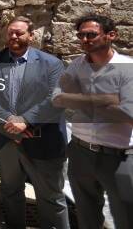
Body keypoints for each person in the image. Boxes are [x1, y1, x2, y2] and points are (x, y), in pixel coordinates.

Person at [0, 16, 69, 229]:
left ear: (31, 35)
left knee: (51, 198)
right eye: (10, 32)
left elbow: (56, 98)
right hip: (5, 139)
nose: (14, 36)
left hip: (42, 139)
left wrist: (26, 121)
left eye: (19, 32)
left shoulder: (51, 64)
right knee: (10, 192)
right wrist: (11, 122)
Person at [52, 14, 133, 229]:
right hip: (80, 152)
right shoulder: (77, 65)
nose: (85, 40)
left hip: (119, 155)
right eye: (81, 35)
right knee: (87, 216)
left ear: (110, 35)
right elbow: (58, 98)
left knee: (126, 216)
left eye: (91, 35)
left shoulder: (127, 68)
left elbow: (128, 114)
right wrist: (107, 99)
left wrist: (80, 98)